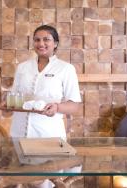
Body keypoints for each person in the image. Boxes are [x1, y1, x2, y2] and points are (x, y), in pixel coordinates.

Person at [10, 25, 82, 188]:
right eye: (37, 39)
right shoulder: (22, 67)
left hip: (48, 136)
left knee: (45, 183)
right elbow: (14, 97)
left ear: (55, 43)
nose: (40, 43)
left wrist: (57, 108)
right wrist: (6, 104)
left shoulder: (65, 69)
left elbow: (74, 105)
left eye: (46, 39)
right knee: (19, 182)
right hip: (19, 133)